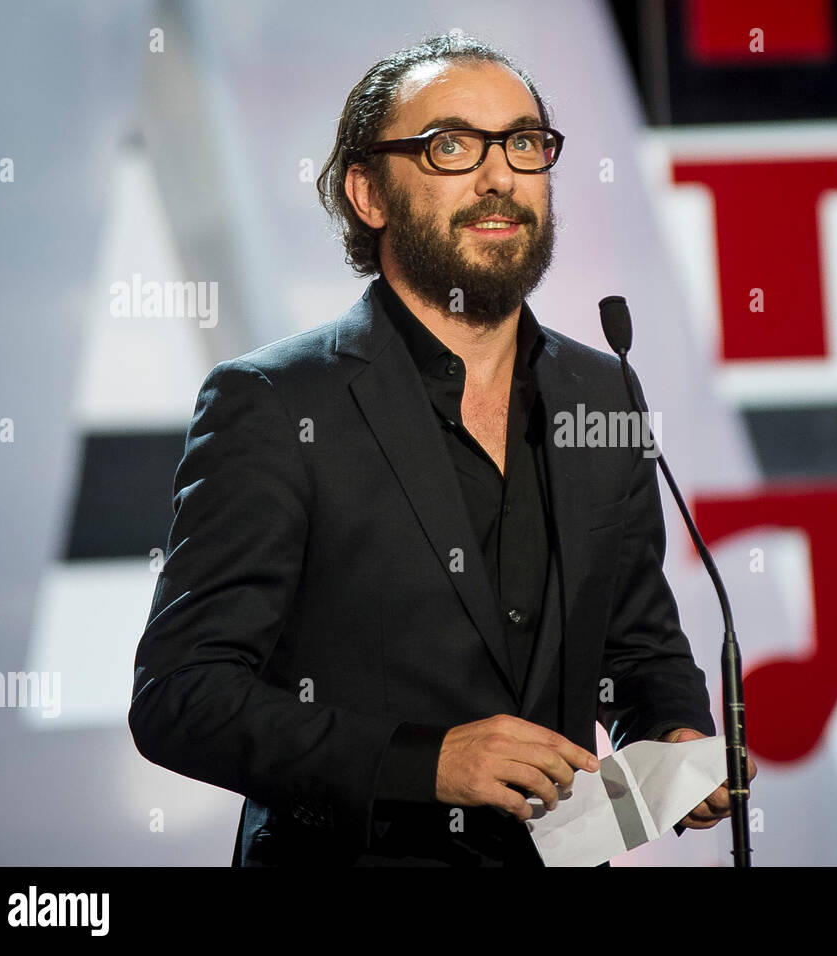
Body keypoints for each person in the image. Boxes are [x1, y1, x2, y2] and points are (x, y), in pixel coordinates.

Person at [128, 32, 755, 867]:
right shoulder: (274, 403)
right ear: (369, 192)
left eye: (524, 144)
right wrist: (426, 763)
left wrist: (674, 739)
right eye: (452, 146)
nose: (500, 176)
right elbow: (182, 697)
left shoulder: (605, 391)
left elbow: (633, 643)